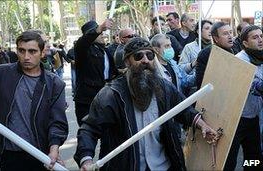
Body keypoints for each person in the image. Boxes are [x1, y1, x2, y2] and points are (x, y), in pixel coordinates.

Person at [74, 37, 218, 171]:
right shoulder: (112, 94)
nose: (145, 60)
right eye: (138, 56)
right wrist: (86, 160)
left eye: (150, 56)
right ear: (127, 62)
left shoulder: (165, 88)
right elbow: (89, 129)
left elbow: (183, 109)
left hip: (163, 166)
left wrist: (202, 125)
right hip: (126, 166)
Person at [0, 30, 68, 171]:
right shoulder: (1, 73)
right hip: (9, 154)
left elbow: (58, 122)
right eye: (21, 51)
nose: (26, 56)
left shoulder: (55, 84)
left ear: (42, 53)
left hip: (41, 153)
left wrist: (54, 148)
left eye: (32, 51)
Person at [224, 25, 263, 171]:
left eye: (261, 36)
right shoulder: (240, 60)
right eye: (255, 37)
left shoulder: (260, 55)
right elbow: (252, 84)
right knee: (229, 161)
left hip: (252, 118)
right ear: (245, 43)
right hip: (235, 120)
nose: (260, 40)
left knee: (253, 160)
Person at [74, 19, 118, 126]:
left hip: (104, 98)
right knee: (87, 134)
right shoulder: (83, 50)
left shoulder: (104, 50)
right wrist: (99, 28)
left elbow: (111, 72)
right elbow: (82, 42)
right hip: (87, 100)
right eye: (99, 32)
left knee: (108, 134)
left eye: (102, 32)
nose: (102, 34)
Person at [196, 22, 234, 89]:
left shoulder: (234, 50)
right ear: (216, 38)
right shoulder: (206, 54)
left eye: (230, 32)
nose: (230, 36)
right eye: (225, 34)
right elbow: (201, 82)